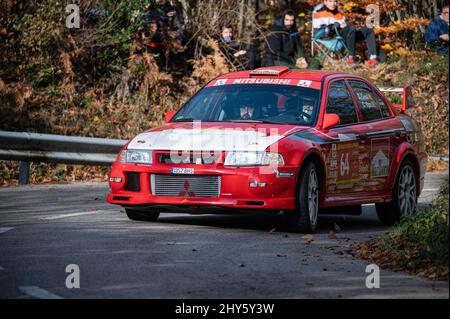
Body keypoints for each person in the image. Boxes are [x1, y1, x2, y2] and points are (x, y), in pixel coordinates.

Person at [313, 0, 379, 65]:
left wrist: (343, 25)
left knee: (368, 29)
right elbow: (319, 31)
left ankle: (372, 58)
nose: (333, 3)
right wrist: (336, 26)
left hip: (349, 35)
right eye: (330, 1)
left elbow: (346, 25)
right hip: (334, 37)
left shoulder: (340, 15)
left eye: (335, 1)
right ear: (325, 2)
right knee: (350, 27)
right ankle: (351, 57)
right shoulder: (319, 14)